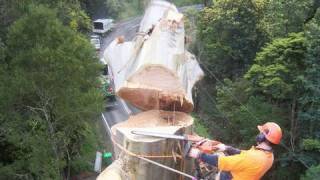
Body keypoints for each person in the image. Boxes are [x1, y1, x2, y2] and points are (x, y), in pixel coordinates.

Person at [188, 122, 282, 180]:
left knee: (219, 166)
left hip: (231, 178)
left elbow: (222, 162)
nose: (259, 134)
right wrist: (227, 148)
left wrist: (199, 154)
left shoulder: (253, 158)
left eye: (260, 133)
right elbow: (244, 154)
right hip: (242, 175)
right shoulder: (269, 156)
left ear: (262, 137)